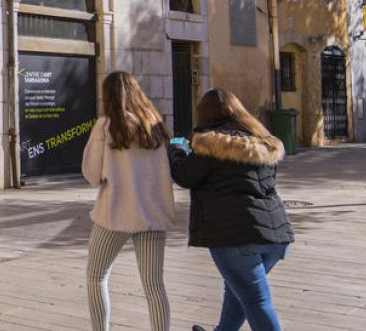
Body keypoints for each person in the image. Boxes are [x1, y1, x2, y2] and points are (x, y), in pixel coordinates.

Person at [168, 88, 294, 331]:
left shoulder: (211, 144)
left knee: (255, 299)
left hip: (236, 237)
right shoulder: (262, 141)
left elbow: (185, 176)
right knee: (237, 290)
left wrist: (177, 147)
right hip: (276, 236)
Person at [82, 71, 176, 331]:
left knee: (96, 276)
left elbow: (91, 173)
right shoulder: (154, 126)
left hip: (114, 214)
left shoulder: (106, 126)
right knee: (154, 286)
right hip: (152, 216)